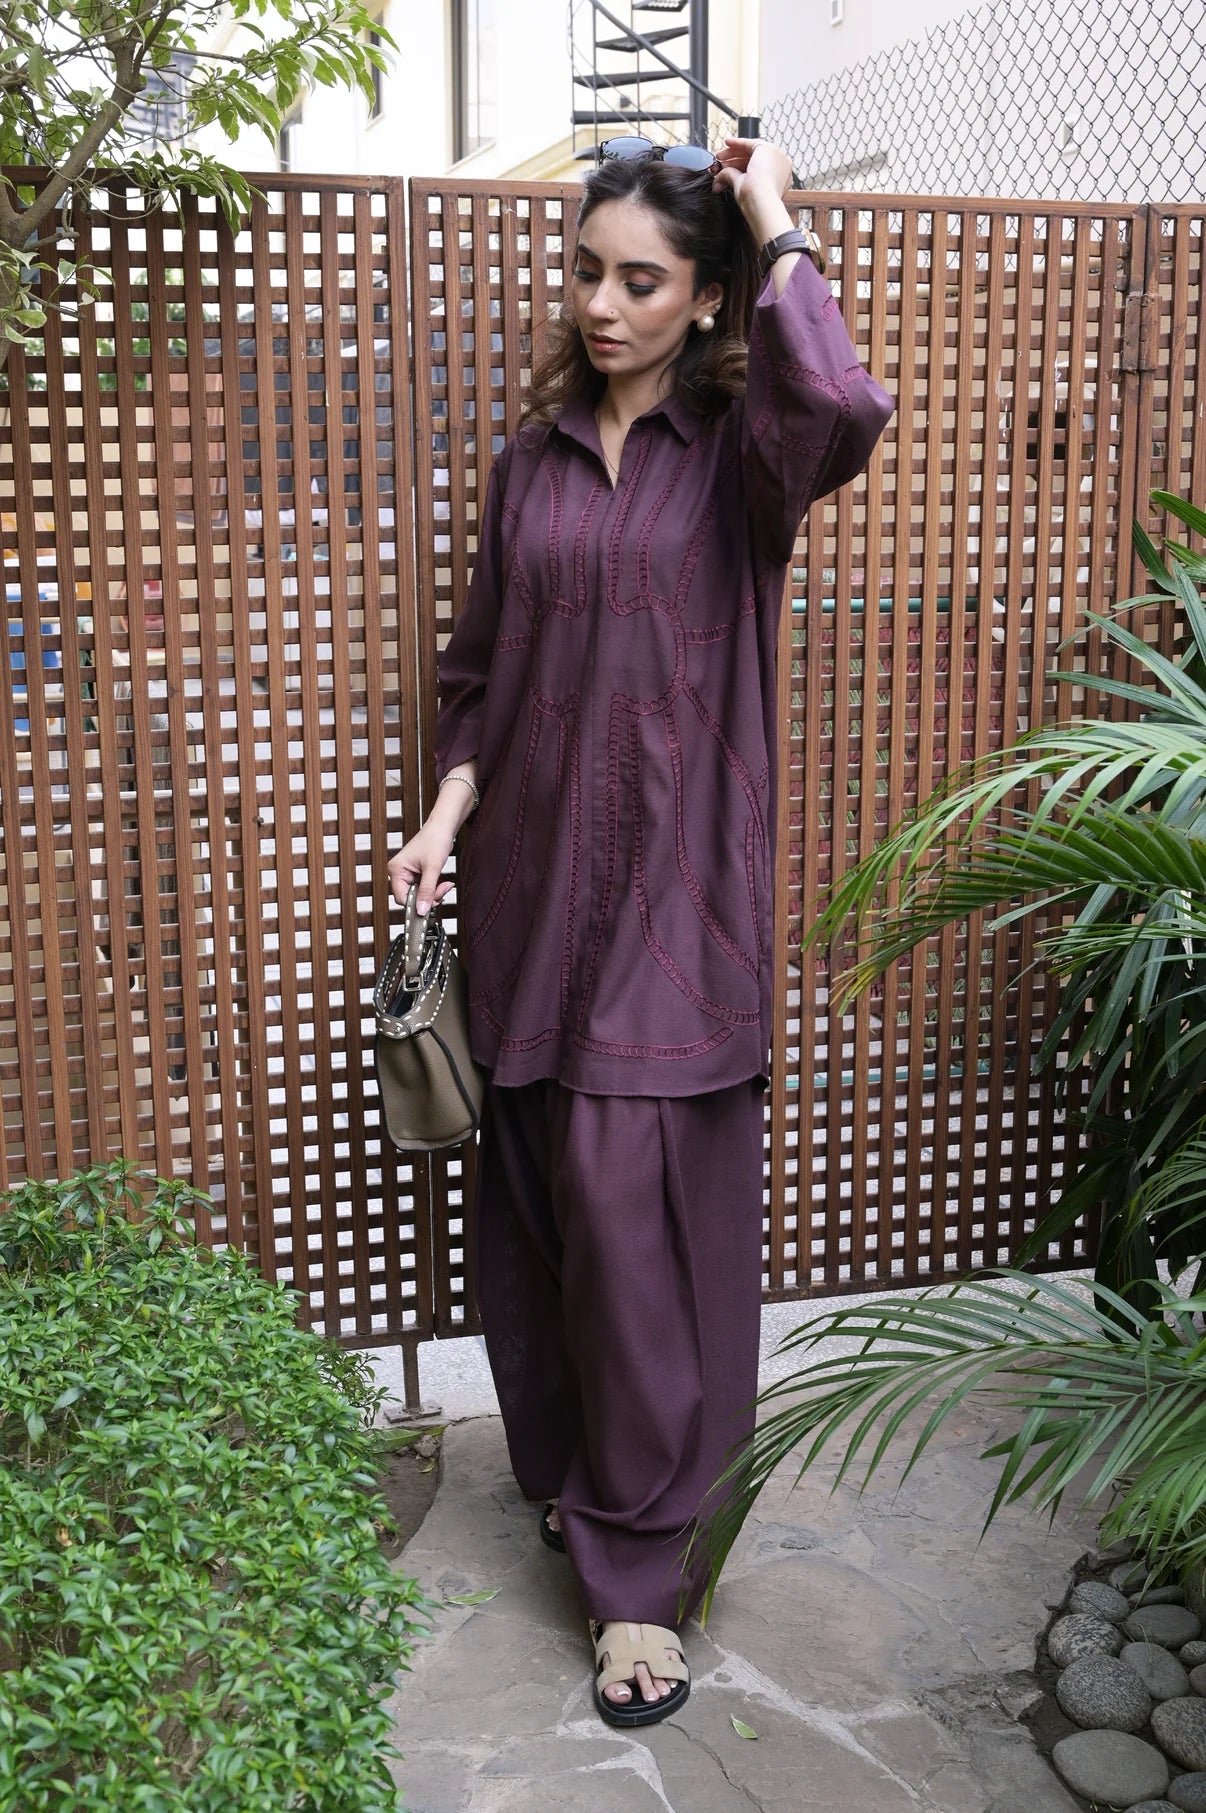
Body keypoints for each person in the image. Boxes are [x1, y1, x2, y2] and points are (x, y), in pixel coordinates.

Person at [388, 134, 893, 1728]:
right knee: (539, 1214)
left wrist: (773, 215)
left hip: (677, 908)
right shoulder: (529, 463)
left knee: (636, 1232)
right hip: (529, 891)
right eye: (586, 271)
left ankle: (636, 1583)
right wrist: (443, 818)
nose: (601, 305)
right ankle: (576, 1479)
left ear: (706, 296)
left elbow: (845, 404)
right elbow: (479, 673)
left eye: (641, 279)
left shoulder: (748, 455)